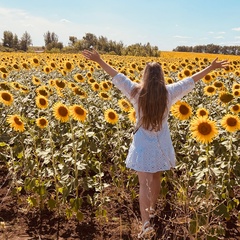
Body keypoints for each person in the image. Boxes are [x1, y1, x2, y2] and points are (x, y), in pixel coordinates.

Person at [82, 49, 229, 238]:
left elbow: (117, 76)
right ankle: (151, 209)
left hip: (143, 145)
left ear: (145, 75)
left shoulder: (135, 92)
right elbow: (190, 81)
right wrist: (211, 67)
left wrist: (99, 60)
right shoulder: (168, 93)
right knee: (156, 177)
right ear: (161, 77)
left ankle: (145, 224)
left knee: (144, 184)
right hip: (161, 144)